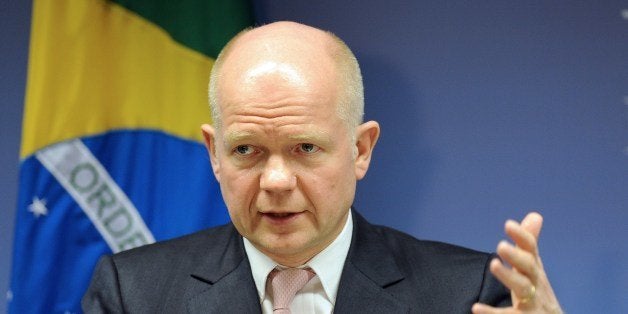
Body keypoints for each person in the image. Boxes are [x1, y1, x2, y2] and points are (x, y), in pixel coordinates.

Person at [82, 21, 562, 313]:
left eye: (305, 148)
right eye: (246, 150)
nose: (275, 181)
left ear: (360, 150)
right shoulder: (133, 295)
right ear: (214, 153)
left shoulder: (467, 295)